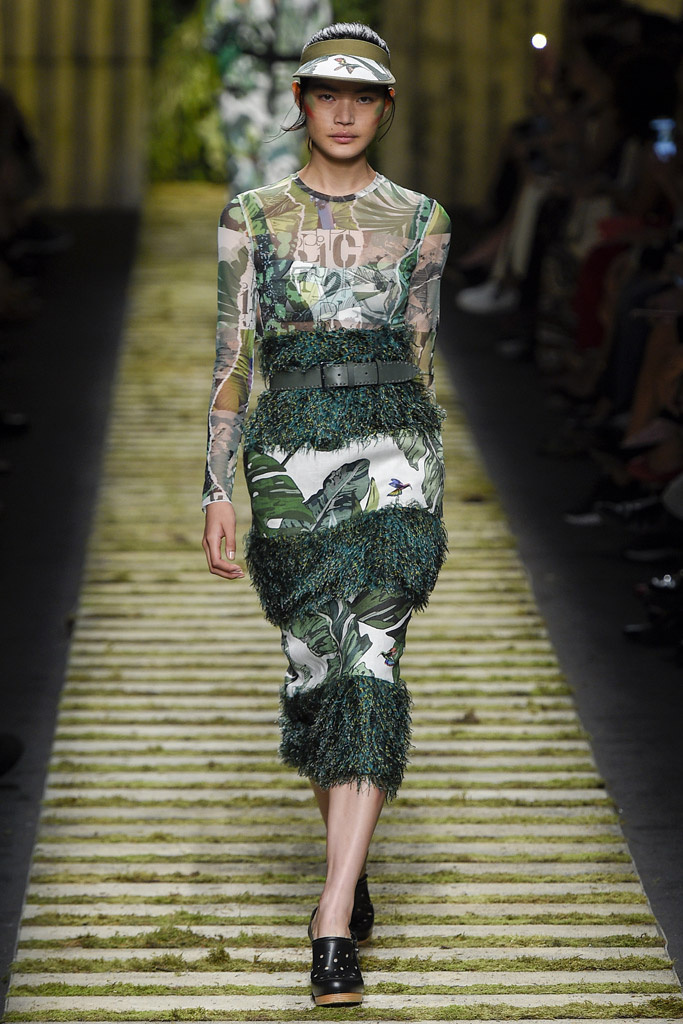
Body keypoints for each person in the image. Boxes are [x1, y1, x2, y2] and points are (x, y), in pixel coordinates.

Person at [201, 22, 450, 1006]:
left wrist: (427, 477)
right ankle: (349, 862)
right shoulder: (251, 217)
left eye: (363, 96)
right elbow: (230, 359)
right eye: (326, 94)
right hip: (287, 454)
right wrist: (215, 489)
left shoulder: (421, 219)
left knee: (370, 662)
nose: (343, 112)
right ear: (302, 102)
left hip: (393, 453)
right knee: (315, 670)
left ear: (384, 109)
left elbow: (422, 357)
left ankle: (333, 915)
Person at [204, 0, 333, 195]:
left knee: (282, 165)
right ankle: (245, 213)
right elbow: (213, 36)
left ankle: (274, 213)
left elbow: (324, 47)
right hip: (244, 84)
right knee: (243, 169)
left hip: (292, 85)